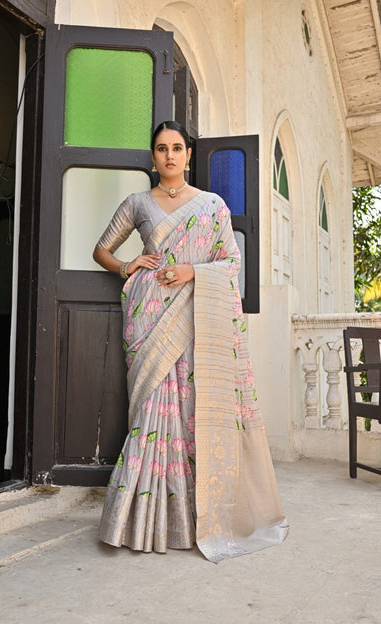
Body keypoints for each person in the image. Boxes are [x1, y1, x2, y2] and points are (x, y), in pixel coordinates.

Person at [94, 120, 288, 563]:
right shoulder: (137, 203)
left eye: (177, 147)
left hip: (194, 313)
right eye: (162, 148)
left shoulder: (211, 206)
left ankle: (191, 518)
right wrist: (127, 267)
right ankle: (140, 520)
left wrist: (191, 271)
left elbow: (231, 263)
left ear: (188, 154)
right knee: (150, 412)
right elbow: (102, 249)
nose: (170, 155)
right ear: (153, 156)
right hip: (147, 315)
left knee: (189, 409)